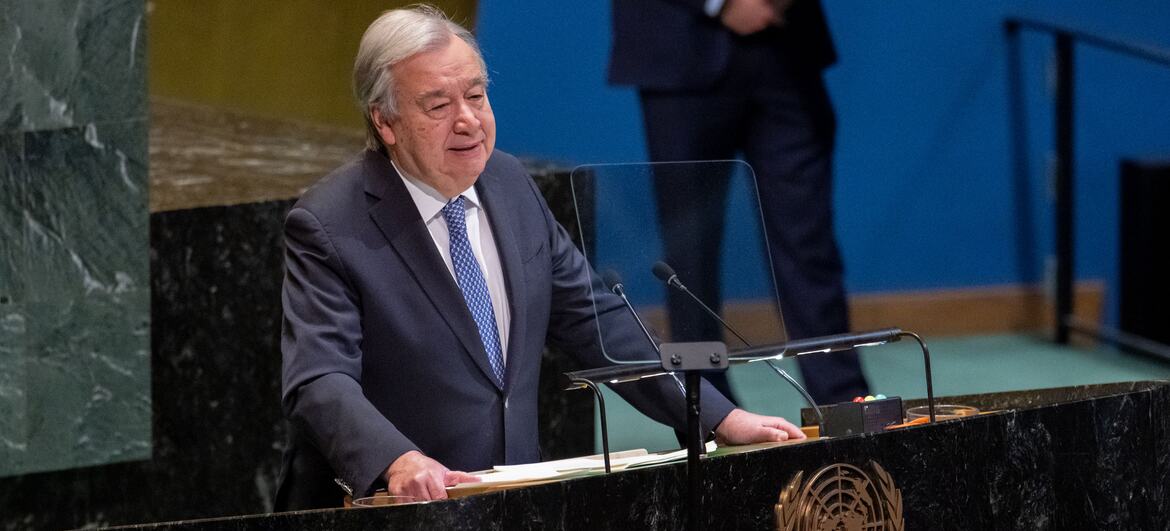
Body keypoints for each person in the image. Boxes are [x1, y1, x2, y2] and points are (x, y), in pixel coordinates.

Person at [274, 5, 805, 510]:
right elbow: (319, 380)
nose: (468, 121)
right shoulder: (329, 224)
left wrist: (718, 417)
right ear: (385, 122)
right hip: (393, 507)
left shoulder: (509, 184)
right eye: (438, 106)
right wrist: (398, 460)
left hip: (511, 498)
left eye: (477, 96)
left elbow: (595, 322)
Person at [608, 0, 870, 405]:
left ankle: (846, 404)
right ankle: (706, 410)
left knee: (809, 243)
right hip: (678, 45)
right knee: (687, 256)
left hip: (789, 47)